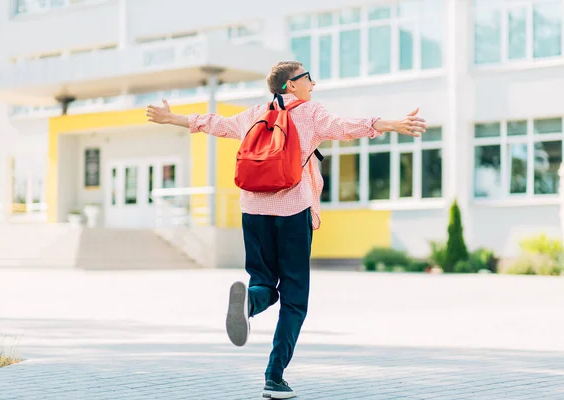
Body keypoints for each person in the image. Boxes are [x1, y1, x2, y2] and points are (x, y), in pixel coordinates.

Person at [146, 61, 427, 399]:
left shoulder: (255, 113)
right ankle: (274, 377)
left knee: (264, 282)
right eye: (308, 78)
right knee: (294, 299)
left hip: (252, 211)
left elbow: (214, 123)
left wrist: (172, 118)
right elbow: (345, 127)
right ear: (291, 85)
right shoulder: (310, 113)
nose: (314, 83)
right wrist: (391, 124)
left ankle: (249, 303)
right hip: (292, 213)